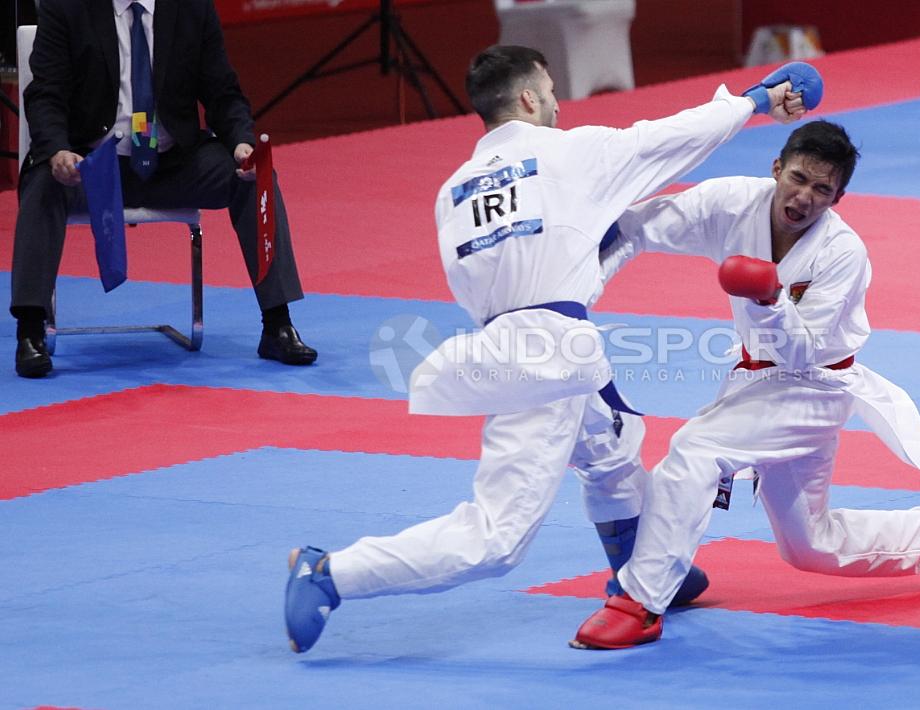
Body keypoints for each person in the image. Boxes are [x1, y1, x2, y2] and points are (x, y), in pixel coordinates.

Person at [283, 45, 820, 653]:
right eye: (552, 92)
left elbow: (489, 277)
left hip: (504, 343)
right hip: (546, 357)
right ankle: (329, 574)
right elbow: (671, 138)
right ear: (530, 98)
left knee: (612, 444)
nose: (560, 104)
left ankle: (637, 570)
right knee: (495, 540)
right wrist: (755, 100)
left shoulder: (453, 191)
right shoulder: (570, 153)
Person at [572, 120, 920, 649]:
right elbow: (640, 226)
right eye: (799, 178)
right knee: (811, 545)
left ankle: (641, 601)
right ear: (776, 169)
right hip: (757, 380)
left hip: (813, 387)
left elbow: (802, 350)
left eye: (822, 190)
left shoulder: (842, 253)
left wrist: (769, 302)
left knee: (694, 451)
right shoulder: (730, 202)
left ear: (839, 197)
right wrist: (578, 283)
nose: (805, 197)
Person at [12, 0, 316, 378]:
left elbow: (224, 92)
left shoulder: (191, 7)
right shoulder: (68, 7)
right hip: (94, 162)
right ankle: (29, 329)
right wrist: (58, 149)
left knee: (255, 178)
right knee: (43, 180)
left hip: (173, 162)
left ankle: (277, 323)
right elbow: (46, 94)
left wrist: (241, 143)